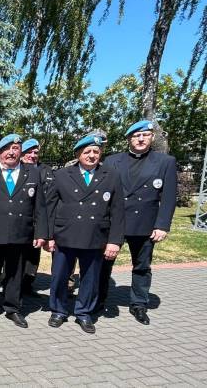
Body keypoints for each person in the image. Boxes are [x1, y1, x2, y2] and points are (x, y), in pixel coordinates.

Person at [98, 120, 177, 324]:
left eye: (145, 135)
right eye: (136, 136)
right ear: (129, 139)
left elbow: (169, 196)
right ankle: (98, 300)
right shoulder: (112, 161)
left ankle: (139, 304)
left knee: (142, 266)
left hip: (144, 224)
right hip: (114, 223)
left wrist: (162, 225)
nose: (141, 139)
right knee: (103, 265)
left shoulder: (165, 162)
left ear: (152, 137)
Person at [45, 136, 124, 334]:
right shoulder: (61, 175)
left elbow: (118, 211)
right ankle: (58, 310)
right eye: (87, 152)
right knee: (59, 276)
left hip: (95, 237)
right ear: (78, 154)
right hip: (65, 235)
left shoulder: (111, 175)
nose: (91, 155)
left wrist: (114, 241)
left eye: (96, 152)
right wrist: (48, 236)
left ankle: (84, 313)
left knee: (90, 278)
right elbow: (50, 208)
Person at [0, 134, 48, 328]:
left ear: (20, 152)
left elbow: (40, 206)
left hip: (20, 233)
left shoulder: (33, 173)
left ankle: (13, 308)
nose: (11, 153)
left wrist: (41, 233)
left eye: (15, 148)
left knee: (15, 274)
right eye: (7, 149)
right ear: (0, 152)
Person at [19, 138, 55, 296]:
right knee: (16, 254)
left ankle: (27, 285)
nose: (32, 155)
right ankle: (12, 285)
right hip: (21, 220)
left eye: (35, 152)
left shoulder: (46, 170)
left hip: (39, 220)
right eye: (28, 152)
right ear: (21, 154)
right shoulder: (16, 168)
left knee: (33, 255)